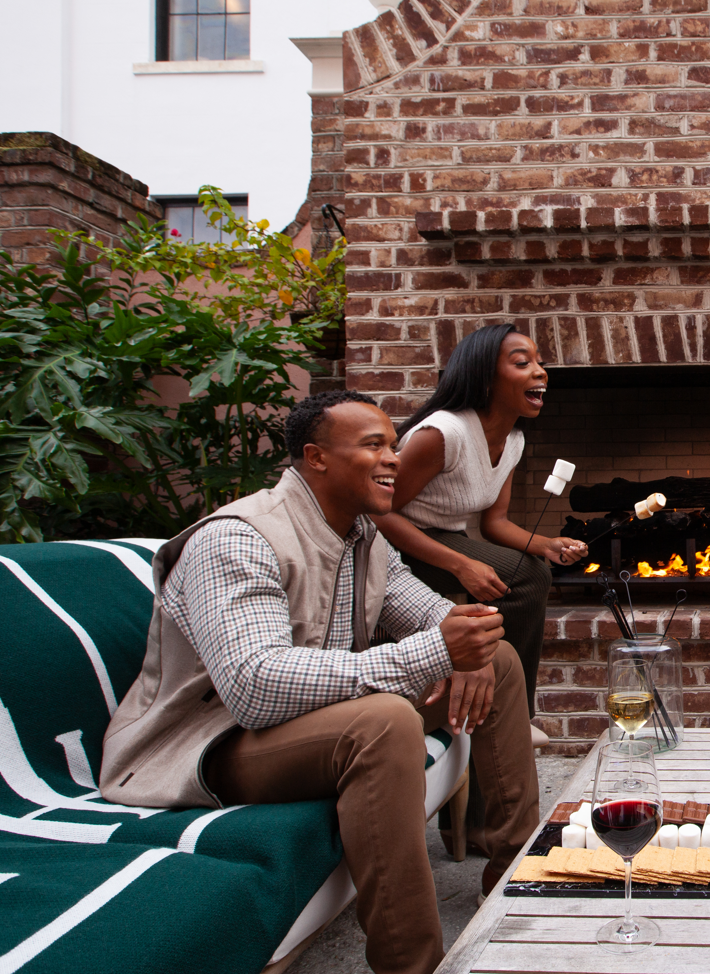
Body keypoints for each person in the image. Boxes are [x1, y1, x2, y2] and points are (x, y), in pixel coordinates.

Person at [100, 390, 539, 974]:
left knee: (502, 661)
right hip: (213, 743)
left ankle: (517, 881)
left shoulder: (365, 535)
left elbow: (426, 611)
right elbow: (254, 686)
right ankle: (413, 965)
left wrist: (472, 643)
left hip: (314, 720)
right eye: (374, 445)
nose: (394, 459)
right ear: (316, 458)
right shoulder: (238, 537)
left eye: (396, 445)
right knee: (385, 722)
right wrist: (439, 650)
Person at [371, 324, 587, 761]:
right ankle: (513, 714)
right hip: (390, 549)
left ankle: (492, 699)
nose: (541, 372)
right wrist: (458, 564)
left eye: (539, 362)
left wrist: (544, 543)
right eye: (523, 363)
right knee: (525, 578)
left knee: (529, 568)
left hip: (444, 539)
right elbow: (378, 513)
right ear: (486, 378)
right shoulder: (443, 434)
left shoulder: (513, 441)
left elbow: (495, 523)